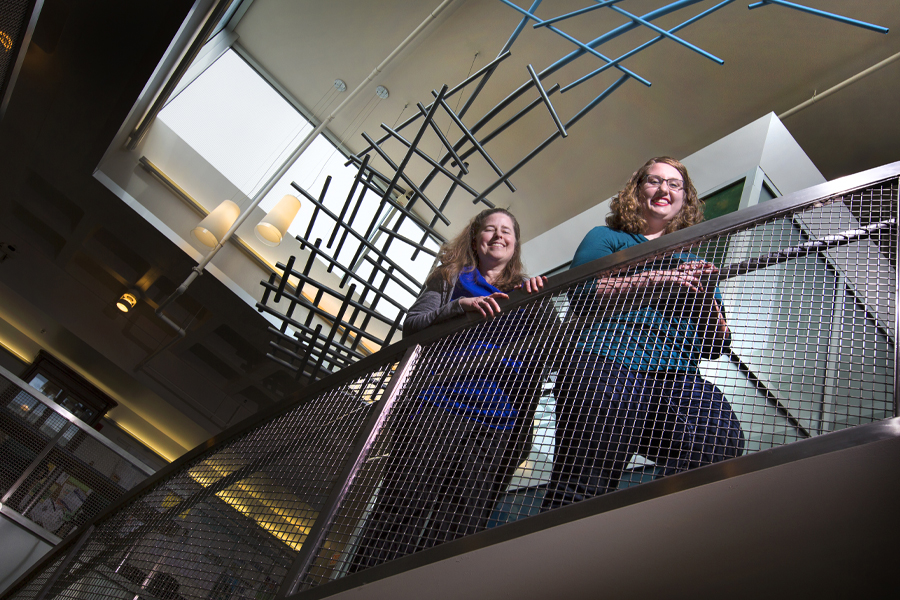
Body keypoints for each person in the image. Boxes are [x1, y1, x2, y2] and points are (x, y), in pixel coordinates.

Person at [349, 208, 548, 572]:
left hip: (497, 424)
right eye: (490, 229)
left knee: (459, 526)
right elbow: (414, 326)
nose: (498, 235)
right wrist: (458, 306)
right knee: (404, 503)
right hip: (437, 406)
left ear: (515, 244)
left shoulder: (525, 293)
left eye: (507, 231)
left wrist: (542, 306)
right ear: (475, 238)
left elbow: (548, 353)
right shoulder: (451, 277)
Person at [542, 156, 745, 511]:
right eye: (654, 180)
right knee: (584, 482)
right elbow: (584, 290)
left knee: (719, 440)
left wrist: (706, 296)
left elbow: (716, 344)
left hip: (675, 372)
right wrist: (661, 279)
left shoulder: (692, 262)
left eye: (674, 184)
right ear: (636, 191)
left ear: (685, 199)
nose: (664, 189)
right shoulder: (608, 237)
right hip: (604, 361)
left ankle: (650, 531)